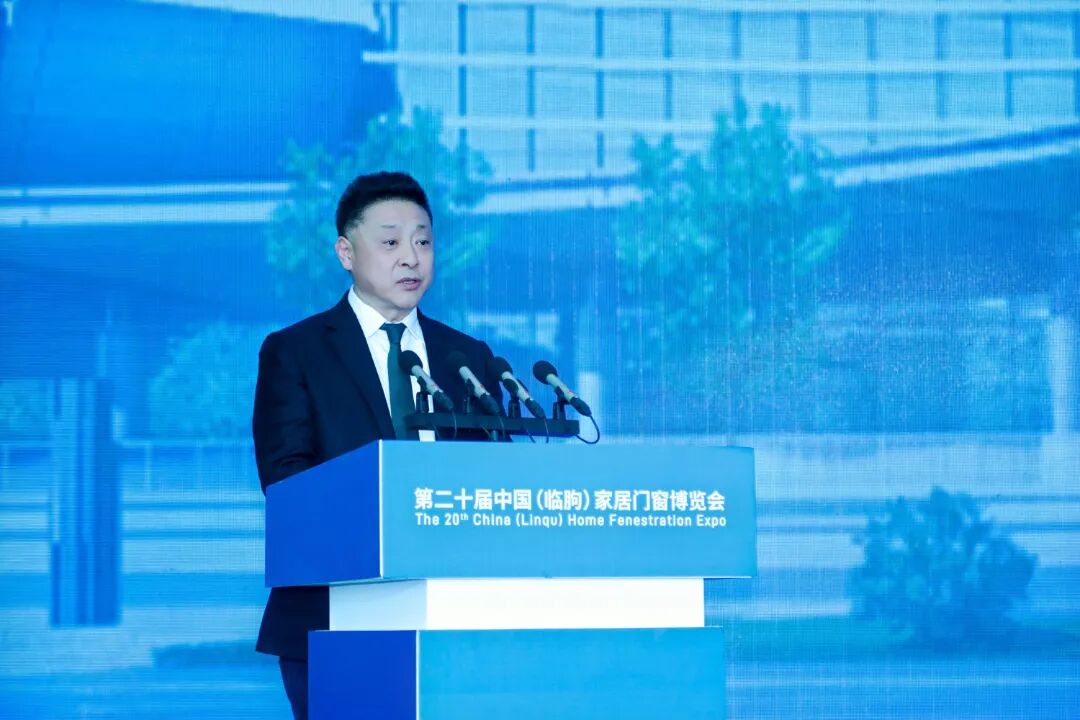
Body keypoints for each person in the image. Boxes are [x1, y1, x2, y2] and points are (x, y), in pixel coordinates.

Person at [251, 171, 503, 720]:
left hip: (457, 622)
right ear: (346, 252)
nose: (411, 258)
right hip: (333, 617)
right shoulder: (295, 352)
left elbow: (499, 480)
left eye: (423, 241)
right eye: (390, 242)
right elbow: (287, 483)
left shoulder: (469, 359)